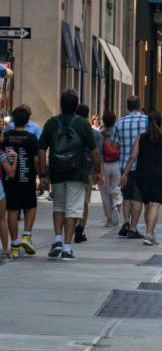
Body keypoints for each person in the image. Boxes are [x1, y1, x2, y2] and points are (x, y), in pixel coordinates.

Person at [37, 90, 103, 260]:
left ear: (61, 104)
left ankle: (57, 239)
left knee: (58, 206)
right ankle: (67, 248)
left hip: (57, 171)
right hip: (77, 172)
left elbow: (41, 149)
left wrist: (43, 174)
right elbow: (94, 151)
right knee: (72, 209)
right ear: (76, 105)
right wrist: (97, 172)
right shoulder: (82, 124)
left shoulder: (52, 123)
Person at [121, 114, 162, 246]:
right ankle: (149, 234)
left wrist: (125, 174)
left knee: (148, 205)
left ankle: (149, 232)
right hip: (161, 175)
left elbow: (133, 157)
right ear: (161, 124)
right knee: (155, 205)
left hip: (143, 176)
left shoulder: (140, 138)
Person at [2, 105, 41, 256]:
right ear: (27, 121)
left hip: (9, 178)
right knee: (30, 205)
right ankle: (26, 235)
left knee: (12, 209)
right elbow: (36, 160)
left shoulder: (5, 136)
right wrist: (41, 176)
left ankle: (15, 244)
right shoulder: (31, 138)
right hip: (27, 178)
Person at [112, 96, 149, 238]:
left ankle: (126, 221)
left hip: (123, 166)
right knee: (138, 198)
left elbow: (114, 145)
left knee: (126, 196)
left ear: (127, 106)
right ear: (140, 106)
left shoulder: (119, 122)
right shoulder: (146, 120)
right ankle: (133, 228)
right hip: (141, 165)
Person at [74, 104, 101, 243]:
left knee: (71, 201)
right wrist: (98, 172)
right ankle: (80, 229)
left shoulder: (69, 130)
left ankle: (70, 226)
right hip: (88, 171)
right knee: (84, 202)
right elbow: (97, 153)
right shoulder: (94, 133)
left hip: (70, 170)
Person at [98, 111, 122, 227]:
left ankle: (108, 219)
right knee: (116, 188)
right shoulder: (118, 133)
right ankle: (116, 206)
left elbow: (98, 153)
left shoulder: (101, 134)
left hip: (104, 165)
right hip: (116, 164)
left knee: (104, 192)